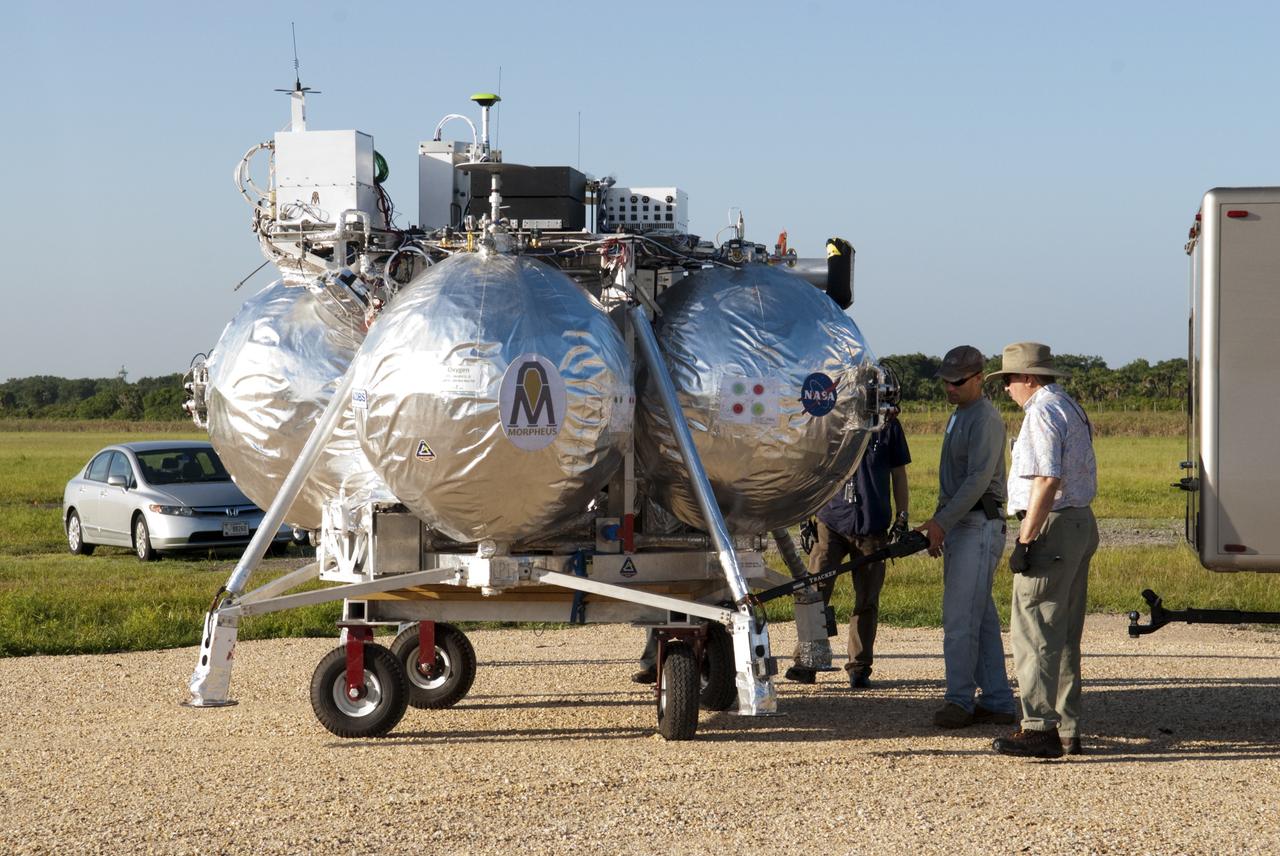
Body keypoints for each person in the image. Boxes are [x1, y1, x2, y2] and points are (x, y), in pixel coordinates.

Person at [987, 342, 1099, 759]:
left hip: (1052, 526)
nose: (1008, 389)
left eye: (1011, 380)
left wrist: (1025, 539)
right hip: (1079, 522)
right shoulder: (1068, 405)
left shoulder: (1041, 411)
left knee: (1033, 630)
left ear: (1029, 378)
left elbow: (1046, 481)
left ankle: (1038, 727)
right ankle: (1068, 728)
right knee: (1065, 632)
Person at [915, 345, 1018, 729]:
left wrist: (941, 522)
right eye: (945, 381)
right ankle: (997, 701)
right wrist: (942, 523)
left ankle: (959, 699)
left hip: (978, 526)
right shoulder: (959, 415)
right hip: (963, 526)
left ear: (978, 378)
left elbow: (977, 480)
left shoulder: (986, 419)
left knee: (959, 620)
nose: (949, 388)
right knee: (980, 618)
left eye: (957, 382)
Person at [794, 411, 910, 688]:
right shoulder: (829, 420)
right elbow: (811, 470)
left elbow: (898, 473)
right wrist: (803, 517)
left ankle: (859, 666)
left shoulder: (889, 425)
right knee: (815, 590)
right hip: (830, 521)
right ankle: (807, 661)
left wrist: (902, 517)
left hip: (872, 525)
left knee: (867, 598)